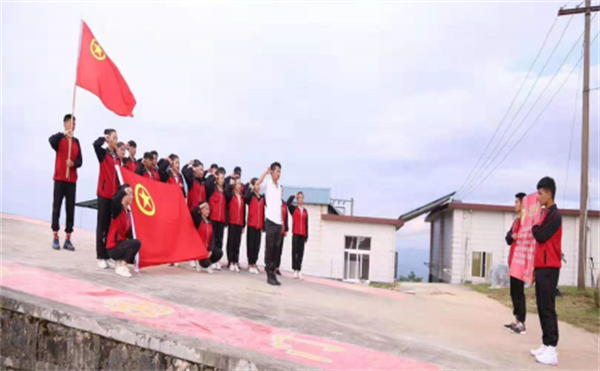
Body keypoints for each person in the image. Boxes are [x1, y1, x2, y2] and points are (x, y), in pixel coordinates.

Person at [530, 177, 562, 366]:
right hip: (542, 268)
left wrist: (534, 224)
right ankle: (546, 343)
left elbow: (541, 235)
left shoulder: (554, 216)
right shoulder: (545, 214)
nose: (539, 197)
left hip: (550, 268)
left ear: (549, 193)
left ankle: (552, 349)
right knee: (542, 307)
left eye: (540, 193)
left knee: (548, 308)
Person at [49, 114, 82, 251]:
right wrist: (63, 134)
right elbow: (51, 141)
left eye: (74, 123)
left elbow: (80, 161)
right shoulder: (59, 140)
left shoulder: (76, 142)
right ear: (65, 124)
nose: (73, 125)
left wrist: (73, 163)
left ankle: (68, 238)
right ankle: (55, 235)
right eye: (70, 122)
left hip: (71, 180)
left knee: (70, 209)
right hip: (59, 178)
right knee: (57, 207)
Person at [93, 129, 121, 269]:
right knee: (102, 226)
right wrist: (104, 139)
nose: (116, 140)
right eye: (114, 138)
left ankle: (107, 254)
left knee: (110, 228)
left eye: (117, 138)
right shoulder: (103, 154)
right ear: (109, 138)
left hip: (114, 196)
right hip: (104, 195)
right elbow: (95, 145)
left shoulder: (117, 157)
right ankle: (100, 256)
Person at [256, 162, 283, 286]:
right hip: (270, 220)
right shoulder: (267, 184)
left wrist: (282, 222)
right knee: (269, 247)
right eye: (277, 171)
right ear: (272, 172)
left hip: (278, 221)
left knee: (276, 249)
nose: (279, 174)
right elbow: (257, 185)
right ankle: (269, 274)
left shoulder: (279, 187)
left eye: (280, 171)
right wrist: (265, 173)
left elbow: (279, 205)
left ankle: (273, 272)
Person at [106, 184, 141, 278]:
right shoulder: (118, 210)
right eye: (129, 193)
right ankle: (122, 266)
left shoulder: (129, 214)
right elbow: (114, 200)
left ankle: (120, 262)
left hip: (122, 245)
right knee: (136, 243)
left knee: (136, 245)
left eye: (132, 194)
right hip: (113, 247)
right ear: (123, 195)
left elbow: (130, 236)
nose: (131, 196)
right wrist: (124, 191)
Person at [504, 192, 527, 335]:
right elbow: (507, 238)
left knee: (519, 293)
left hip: (521, 262)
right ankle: (516, 320)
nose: (515, 205)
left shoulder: (526, 222)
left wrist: (519, 236)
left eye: (517, 202)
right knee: (513, 293)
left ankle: (522, 323)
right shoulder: (516, 222)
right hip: (513, 262)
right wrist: (512, 236)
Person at [191, 202, 224, 274]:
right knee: (205, 263)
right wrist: (200, 206)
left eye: (208, 209)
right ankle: (199, 261)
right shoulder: (198, 221)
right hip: (200, 250)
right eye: (206, 209)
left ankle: (208, 262)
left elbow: (212, 238)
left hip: (207, 249)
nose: (208, 211)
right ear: (201, 210)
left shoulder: (210, 222)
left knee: (219, 253)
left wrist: (211, 250)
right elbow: (194, 212)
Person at [205, 167, 227, 270]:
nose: (223, 180)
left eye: (224, 178)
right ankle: (211, 260)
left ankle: (217, 260)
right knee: (212, 240)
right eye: (221, 178)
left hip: (221, 219)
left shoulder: (225, 191)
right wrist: (214, 175)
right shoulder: (212, 189)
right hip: (213, 218)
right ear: (217, 179)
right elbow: (207, 184)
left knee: (220, 240)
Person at [244, 178, 264, 275]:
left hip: (259, 225)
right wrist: (250, 187)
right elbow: (245, 197)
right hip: (252, 224)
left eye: (259, 184)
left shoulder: (262, 198)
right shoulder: (250, 196)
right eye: (256, 184)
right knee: (251, 245)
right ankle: (250, 263)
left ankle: (254, 263)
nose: (258, 186)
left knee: (257, 246)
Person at [287, 192, 309, 279]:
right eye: (299, 198)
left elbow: (306, 224)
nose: (301, 199)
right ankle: (295, 270)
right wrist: (293, 196)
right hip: (295, 233)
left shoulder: (305, 211)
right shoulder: (293, 209)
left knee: (300, 253)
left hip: (302, 234)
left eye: (302, 198)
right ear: (297, 199)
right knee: (294, 252)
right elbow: (287, 203)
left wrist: (306, 235)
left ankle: (299, 270)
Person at [225, 177, 245, 272]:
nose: (239, 186)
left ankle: (235, 261)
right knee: (231, 242)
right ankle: (230, 261)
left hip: (239, 222)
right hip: (232, 221)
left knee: (237, 243)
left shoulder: (241, 196)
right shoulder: (231, 195)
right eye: (238, 184)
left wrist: (243, 224)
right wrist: (231, 183)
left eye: (240, 184)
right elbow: (226, 191)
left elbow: (244, 211)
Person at [274, 197, 289, 276]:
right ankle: (271, 266)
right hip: (275, 229)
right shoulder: (274, 202)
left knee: (279, 250)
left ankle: (277, 267)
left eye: (282, 191)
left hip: (282, 230)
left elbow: (286, 217)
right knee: (274, 248)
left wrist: (286, 229)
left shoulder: (284, 205)